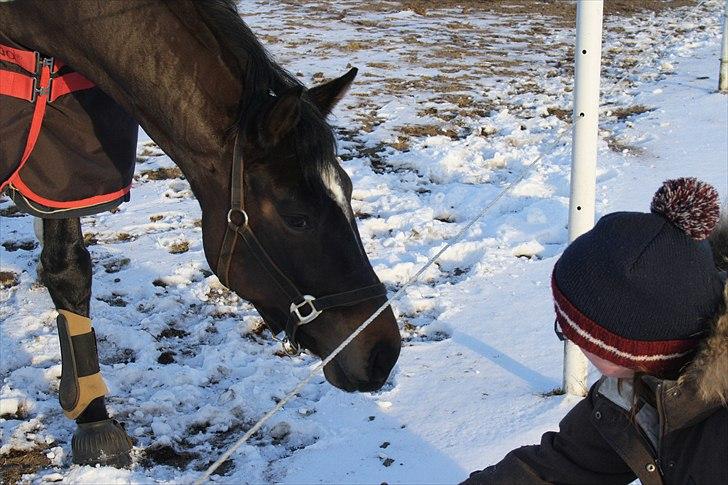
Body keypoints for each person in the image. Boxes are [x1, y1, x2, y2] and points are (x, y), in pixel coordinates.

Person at [463, 177, 727, 485]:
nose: (569, 338)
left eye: (574, 334)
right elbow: (562, 467)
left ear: (623, 349)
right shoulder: (636, 387)